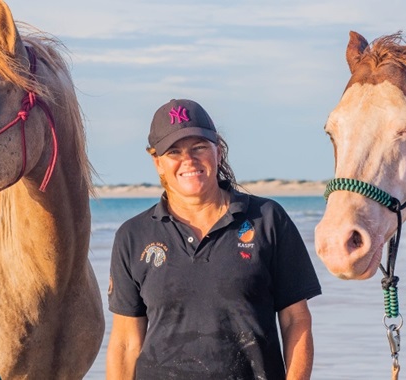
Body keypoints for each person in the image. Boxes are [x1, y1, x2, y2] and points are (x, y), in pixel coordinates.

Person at [106, 99, 322, 379]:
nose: (189, 160)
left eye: (199, 147)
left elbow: (296, 321)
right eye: (174, 151)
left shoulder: (267, 219)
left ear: (218, 152)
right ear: (157, 162)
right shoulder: (133, 236)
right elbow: (125, 343)